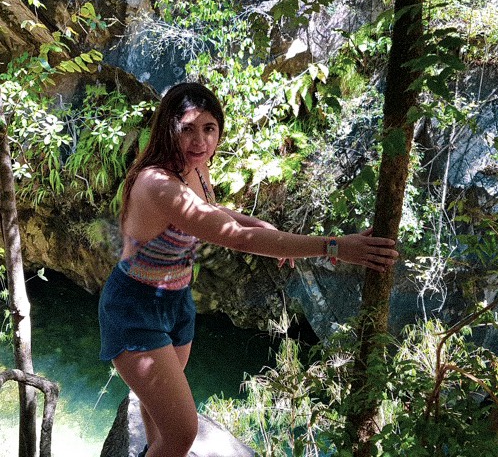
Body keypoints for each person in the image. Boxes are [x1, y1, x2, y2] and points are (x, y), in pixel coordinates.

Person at [98, 82, 398, 457]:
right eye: (188, 129)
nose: (200, 141)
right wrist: (335, 246)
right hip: (135, 307)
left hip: (176, 300)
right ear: (168, 129)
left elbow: (209, 210)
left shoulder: (195, 166)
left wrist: (257, 222)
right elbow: (236, 239)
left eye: (209, 128)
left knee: (161, 417)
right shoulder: (158, 183)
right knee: (182, 433)